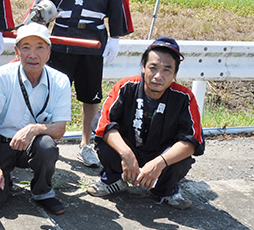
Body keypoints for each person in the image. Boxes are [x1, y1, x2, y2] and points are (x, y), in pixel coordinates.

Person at [32, 0, 132, 168]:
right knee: (53, 90)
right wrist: (36, 28)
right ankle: (46, 140)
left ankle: (86, 144)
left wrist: (115, 35)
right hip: (62, 34)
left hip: (92, 37)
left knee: (90, 94)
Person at [87, 37, 204, 209]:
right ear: (143, 66)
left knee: (182, 158)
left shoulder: (184, 97)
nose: (158, 76)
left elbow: (192, 141)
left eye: (166, 70)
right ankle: (115, 180)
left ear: (175, 73)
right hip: (130, 148)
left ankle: (166, 190)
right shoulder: (125, 86)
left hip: (160, 153)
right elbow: (103, 124)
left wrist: (159, 163)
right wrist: (127, 155)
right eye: (153, 68)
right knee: (105, 142)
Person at [0, 22, 72, 214]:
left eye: (39, 48)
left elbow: (60, 129)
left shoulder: (60, 81)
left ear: (49, 52)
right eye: (26, 48)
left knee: (47, 146)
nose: (33, 55)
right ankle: (4, 177)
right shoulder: (2, 76)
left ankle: (42, 191)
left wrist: (34, 129)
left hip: (31, 145)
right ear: (17, 51)